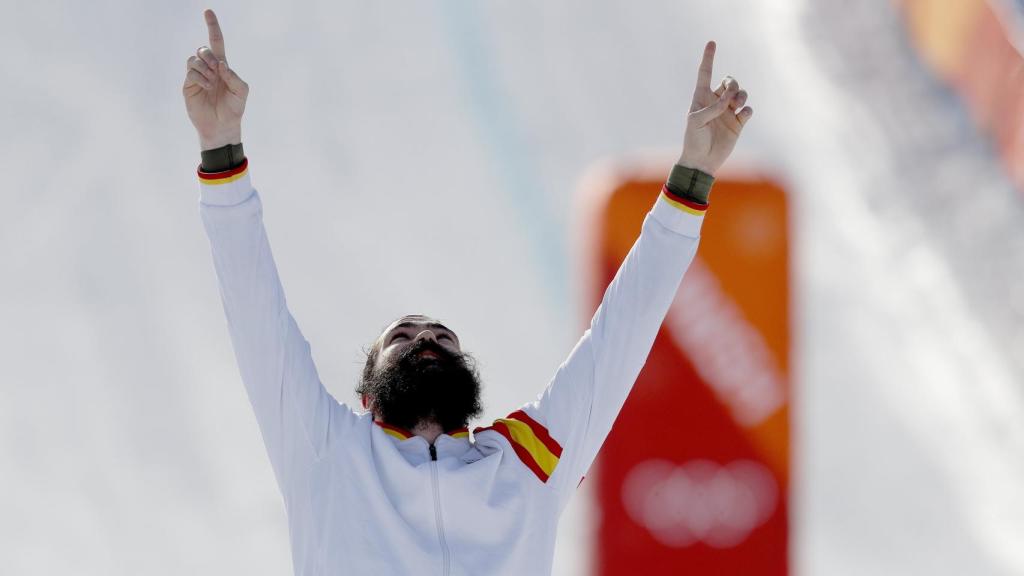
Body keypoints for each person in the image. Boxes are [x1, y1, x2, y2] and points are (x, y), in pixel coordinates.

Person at [183, 8, 751, 575]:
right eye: (402, 338)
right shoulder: (325, 447)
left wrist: (694, 174)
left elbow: (620, 336)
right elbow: (256, 313)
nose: (426, 337)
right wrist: (220, 144)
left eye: (442, 337)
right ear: (366, 398)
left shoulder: (525, 462)